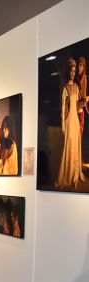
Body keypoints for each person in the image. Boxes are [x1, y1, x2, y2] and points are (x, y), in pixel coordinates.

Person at [56, 58, 86, 189]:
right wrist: (63, 125)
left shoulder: (77, 87)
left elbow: (78, 105)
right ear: (68, 72)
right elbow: (63, 109)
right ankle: (67, 176)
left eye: (74, 71)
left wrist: (84, 104)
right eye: (71, 71)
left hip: (76, 120)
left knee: (75, 146)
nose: (73, 73)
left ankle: (75, 174)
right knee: (68, 147)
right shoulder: (65, 88)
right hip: (68, 120)